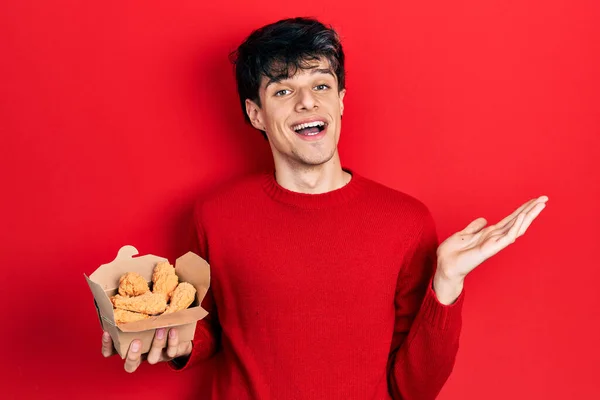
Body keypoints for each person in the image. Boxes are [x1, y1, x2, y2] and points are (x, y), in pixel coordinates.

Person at [101, 17, 548, 399]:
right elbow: (211, 328)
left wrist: (448, 280)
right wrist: (165, 338)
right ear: (255, 114)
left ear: (340, 100)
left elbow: (415, 389)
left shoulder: (406, 221)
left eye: (320, 85)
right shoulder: (214, 215)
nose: (307, 101)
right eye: (283, 91)